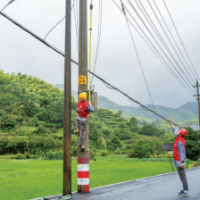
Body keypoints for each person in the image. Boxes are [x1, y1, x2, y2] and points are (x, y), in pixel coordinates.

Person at [169, 118, 189, 197]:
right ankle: (185, 189)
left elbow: (182, 153)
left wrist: (182, 162)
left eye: (179, 131)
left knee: (182, 175)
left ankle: (185, 190)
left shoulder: (180, 142)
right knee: (181, 175)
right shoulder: (178, 137)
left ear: (180, 134)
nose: (177, 131)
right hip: (177, 160)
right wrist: (170, 122)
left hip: (179, 161)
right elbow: (174, 129)